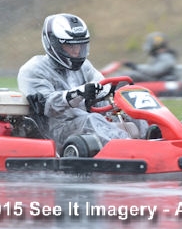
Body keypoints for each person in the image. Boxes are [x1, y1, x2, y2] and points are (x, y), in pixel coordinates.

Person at [17, 13, 148, 153]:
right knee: (90, 120)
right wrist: (78, 93)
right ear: (54, 44)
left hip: (84, 122)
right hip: (55, 129)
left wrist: (113, 91)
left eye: (80, 45)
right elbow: (47, 106)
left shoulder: (84, 66)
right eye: (70, 46)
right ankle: (131, 151)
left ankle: (154, 139)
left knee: (131, 112)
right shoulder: (33, 70)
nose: (77, 51)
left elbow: (101, 84)